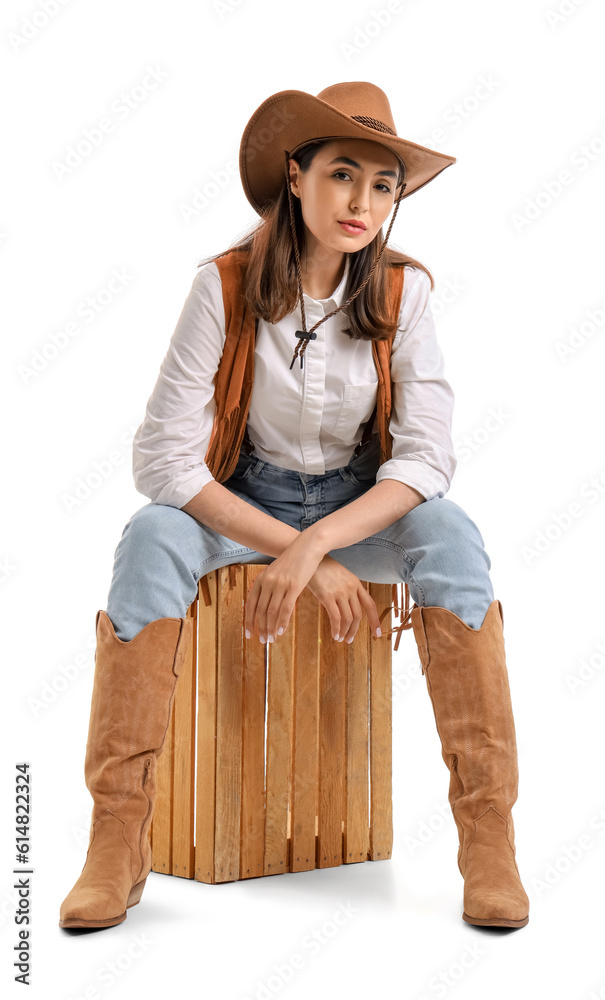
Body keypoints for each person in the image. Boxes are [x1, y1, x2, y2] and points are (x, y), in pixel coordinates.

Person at [59, 81, 529, 931]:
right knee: (150, 536)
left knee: (451, 535)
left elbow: (426, 459)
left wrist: (319, 548)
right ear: (294, 174)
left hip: (360, 510)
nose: (361, 202)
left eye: (382, 185)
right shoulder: (224, 285)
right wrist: (289, 543)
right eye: (342, 174)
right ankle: (115, 839)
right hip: (245, 503)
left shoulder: (403, 291)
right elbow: (160, 456)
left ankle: (487, 840)